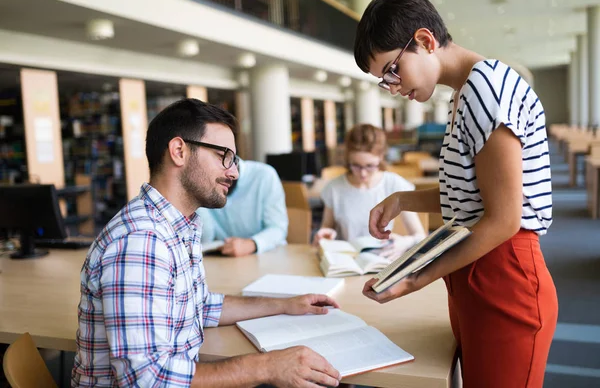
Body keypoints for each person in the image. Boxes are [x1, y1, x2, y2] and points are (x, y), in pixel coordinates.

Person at [354, 0, 558, 387]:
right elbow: (473, 194)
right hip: (476, 268)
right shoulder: (466, 93)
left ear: (426, 41)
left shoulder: (486, 88)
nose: (392, 86)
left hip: (505, 273)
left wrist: (416, 278)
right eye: (384, 80)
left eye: (393, 70)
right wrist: (402, 200)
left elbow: (503, 220)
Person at [71, 99, 341, 388]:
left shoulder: (178, 225)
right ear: (179, 152)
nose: (234, 172)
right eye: (223, 155)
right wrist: (267, 367)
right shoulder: (141, 242)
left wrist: (285, 305)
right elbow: (148, 381)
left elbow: (200, 307)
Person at [313, 124, 425, 258]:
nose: (363, 173)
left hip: (382, 261)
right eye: (356, 165)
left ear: (381, 157)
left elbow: (420, 236)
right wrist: (323, 237)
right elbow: (327, 228)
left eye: (370, 166)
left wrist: (405, 242)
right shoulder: (334, 189)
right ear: (348, 159)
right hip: (346, 263)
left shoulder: (394, 184)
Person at [197, 158, 288, 257]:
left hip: (268, 255)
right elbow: (206, 237)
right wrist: (197, 196)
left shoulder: (265, 175)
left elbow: (278, 228)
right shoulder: (206, 181)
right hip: (226, 260)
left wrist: (251, 244)